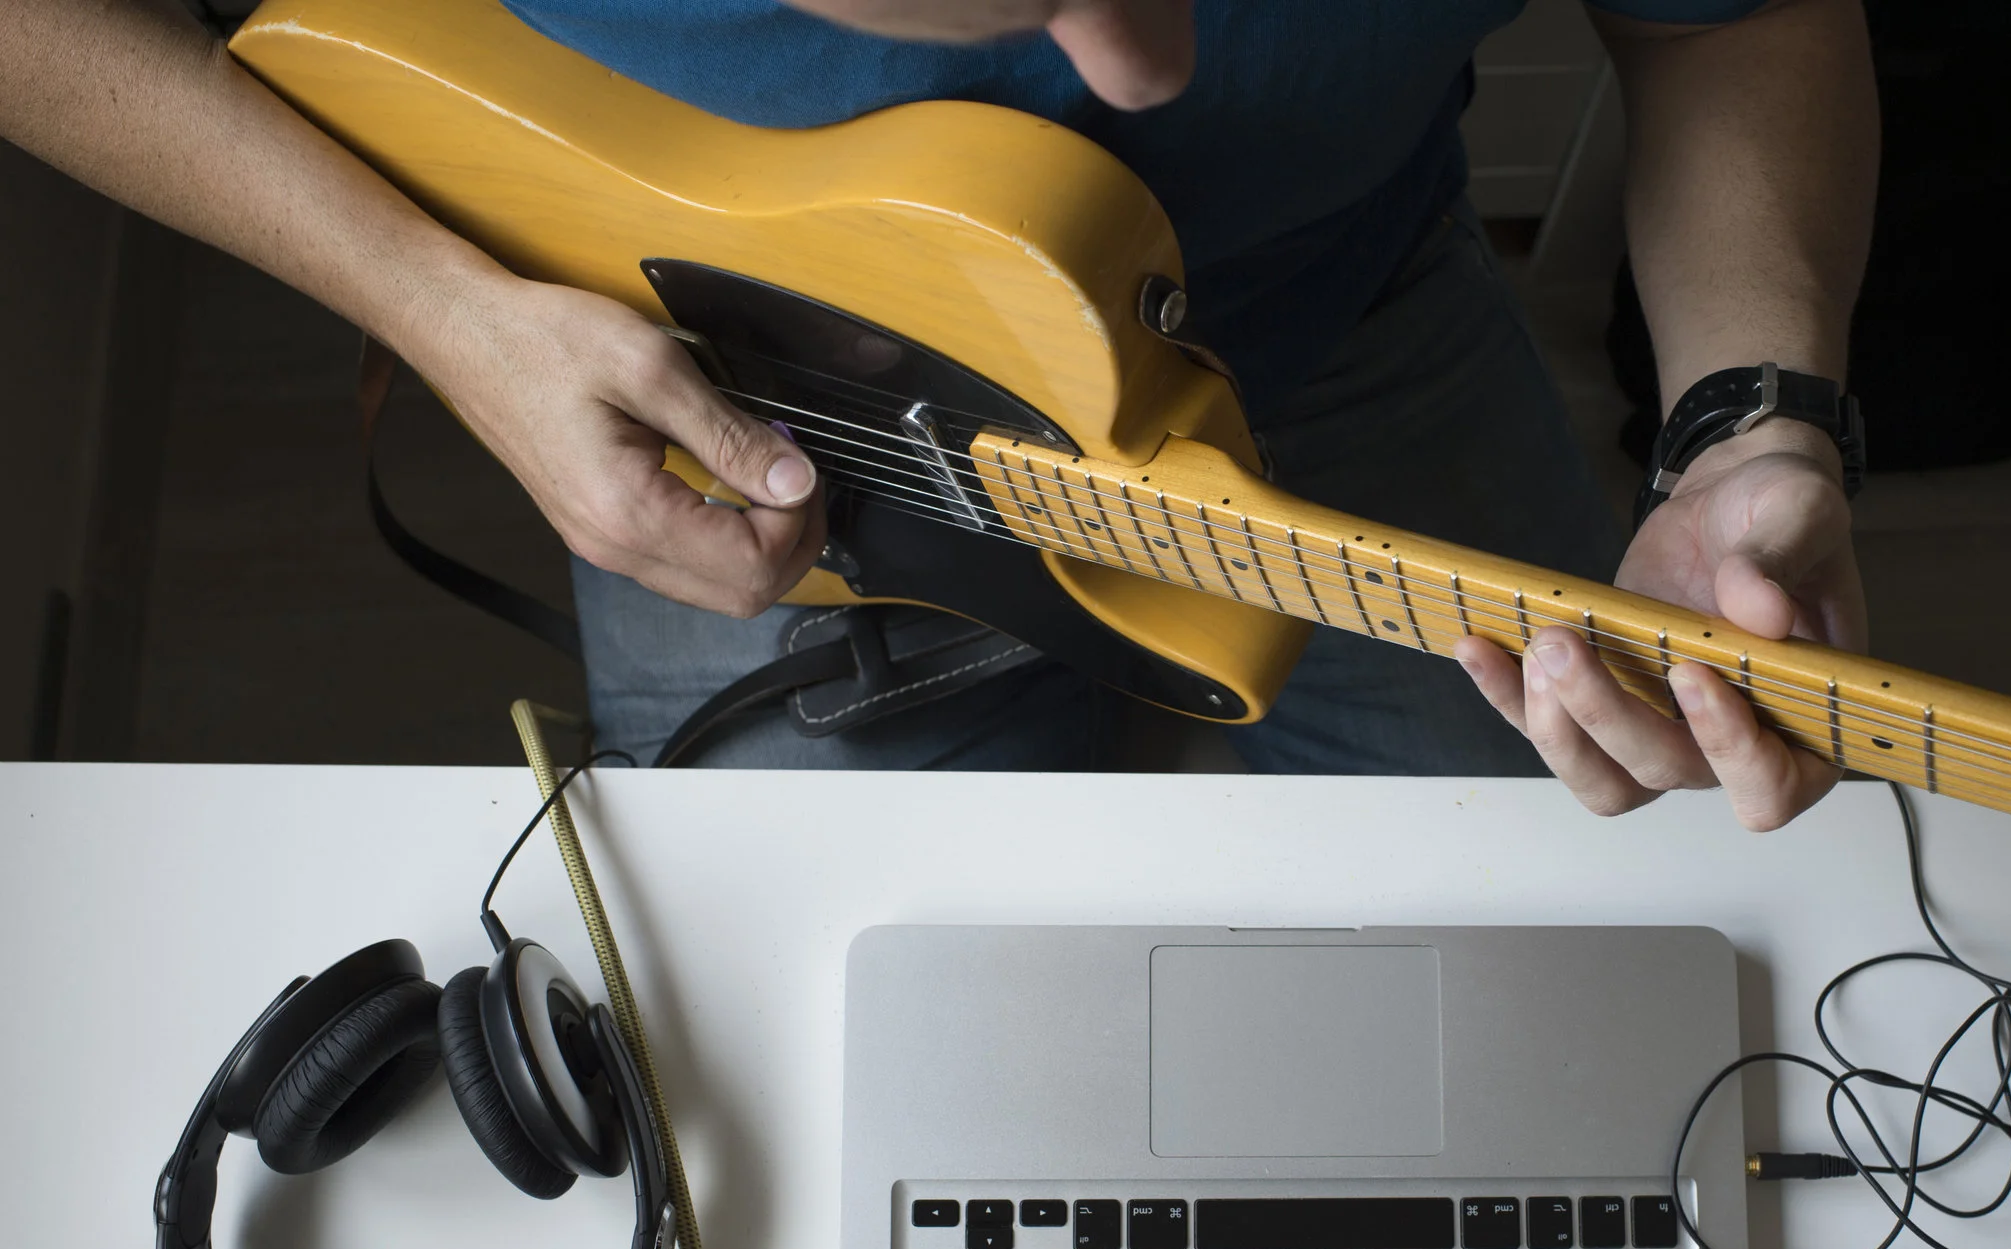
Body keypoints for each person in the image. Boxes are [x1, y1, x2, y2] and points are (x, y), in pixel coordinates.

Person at [3, 0, 1875, 828]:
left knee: (1580, 903)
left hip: (1350, 332)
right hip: (712, 395)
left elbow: (1732, 10)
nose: (1149, 66)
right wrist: (443, 312)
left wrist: (1752, 414)